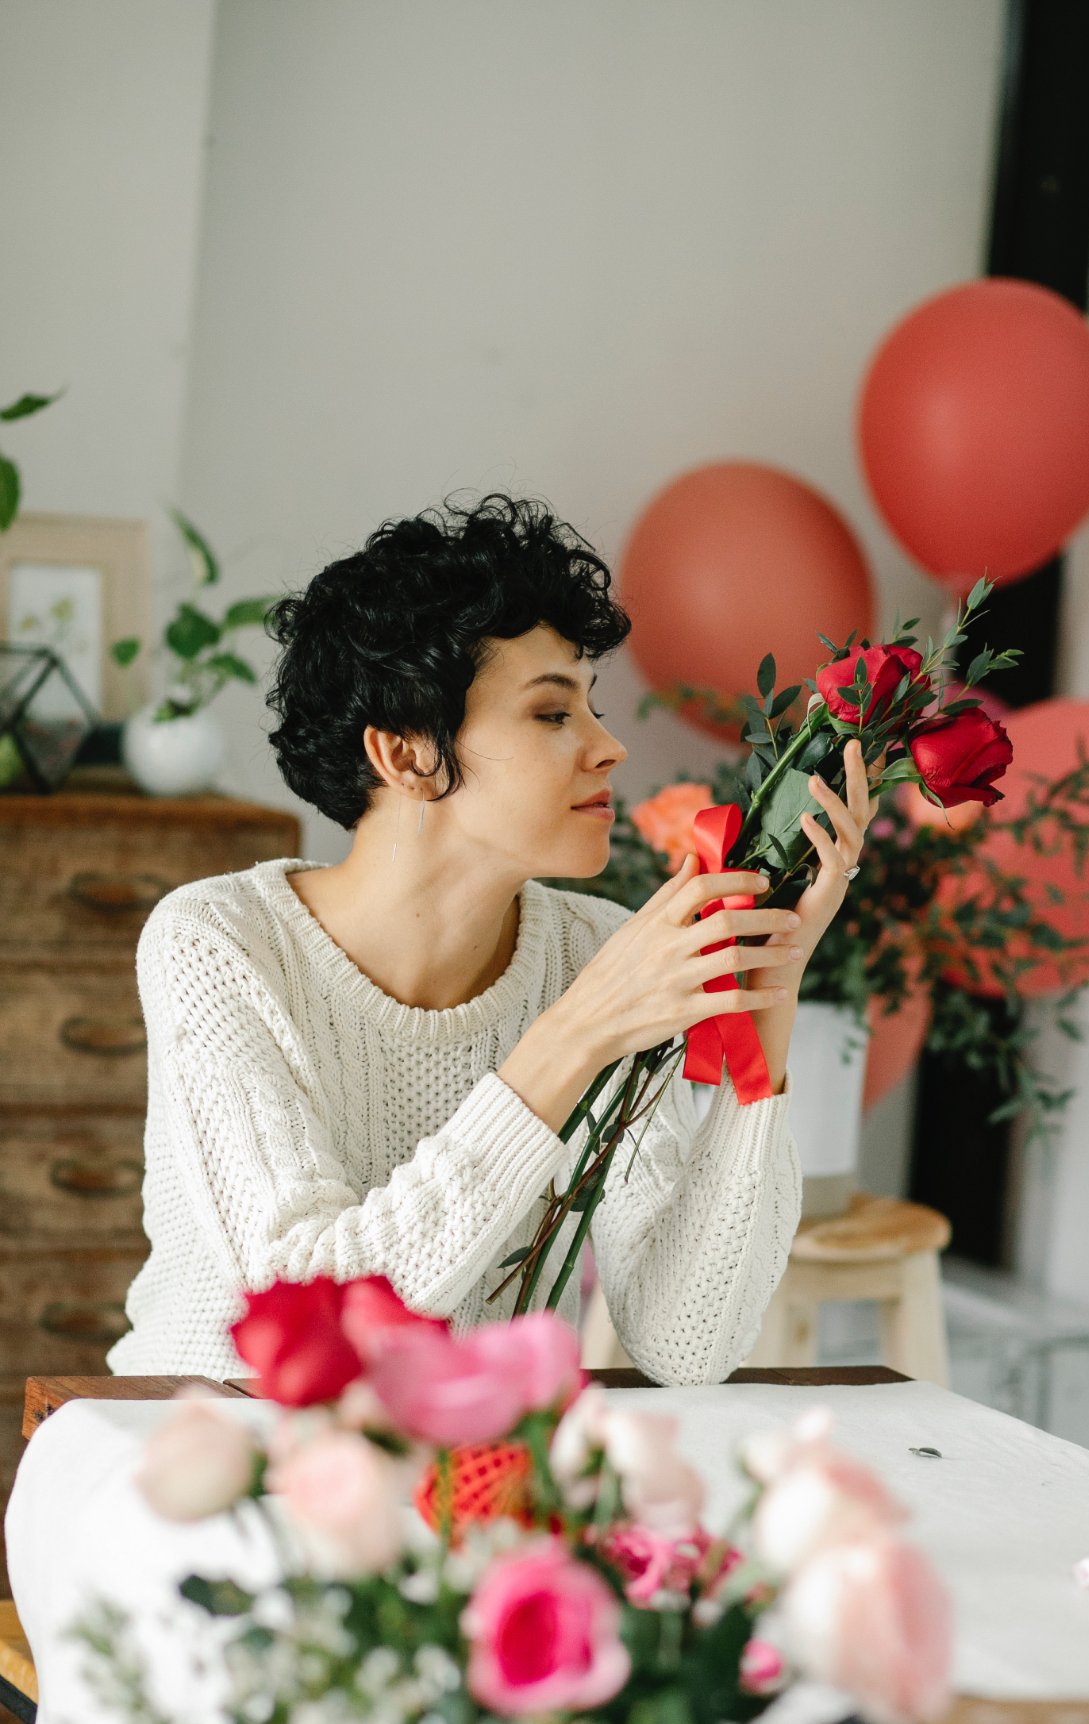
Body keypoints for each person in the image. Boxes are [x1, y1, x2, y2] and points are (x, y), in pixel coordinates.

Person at [106, 494, 874, 1385]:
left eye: (591, 708)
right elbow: (315, 1305)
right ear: (405, 755)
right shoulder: (219, 942)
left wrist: (767, 986)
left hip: (478, 1478)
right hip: (210, 1459)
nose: (610, 746)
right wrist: (576, 1035)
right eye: (553, 715)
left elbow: (687, 1343)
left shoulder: (594, 953)